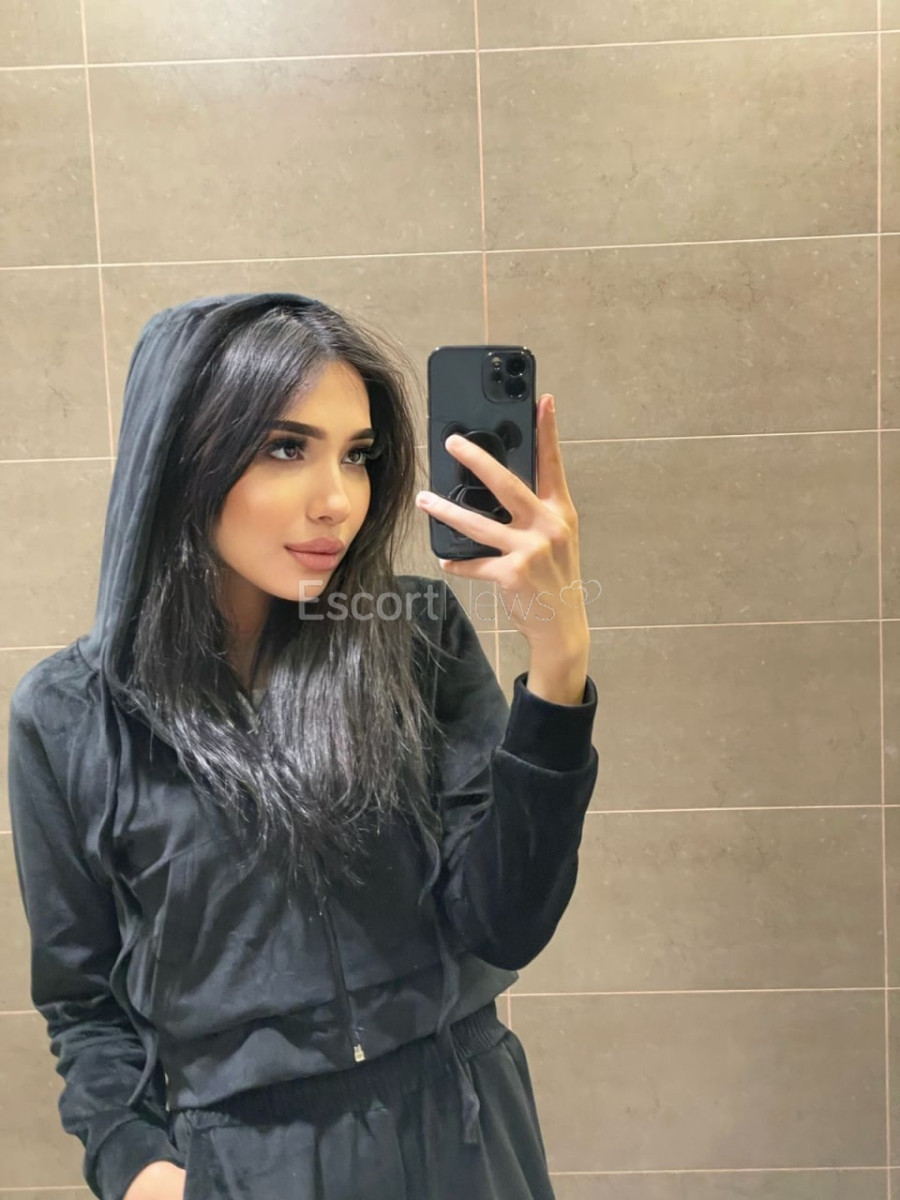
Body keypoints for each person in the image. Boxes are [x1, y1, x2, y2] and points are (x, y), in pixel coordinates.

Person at [7, 293, 599, 1200]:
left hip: (466, 1130)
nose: (338, 501)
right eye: (287, 448)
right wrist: (138, 1169)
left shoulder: (415, 634)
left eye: (357, 455)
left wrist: (559, 658)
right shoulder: (69, 715)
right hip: (250, 1163)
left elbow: (505, 921)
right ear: (181, 455)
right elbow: (81, 1000)